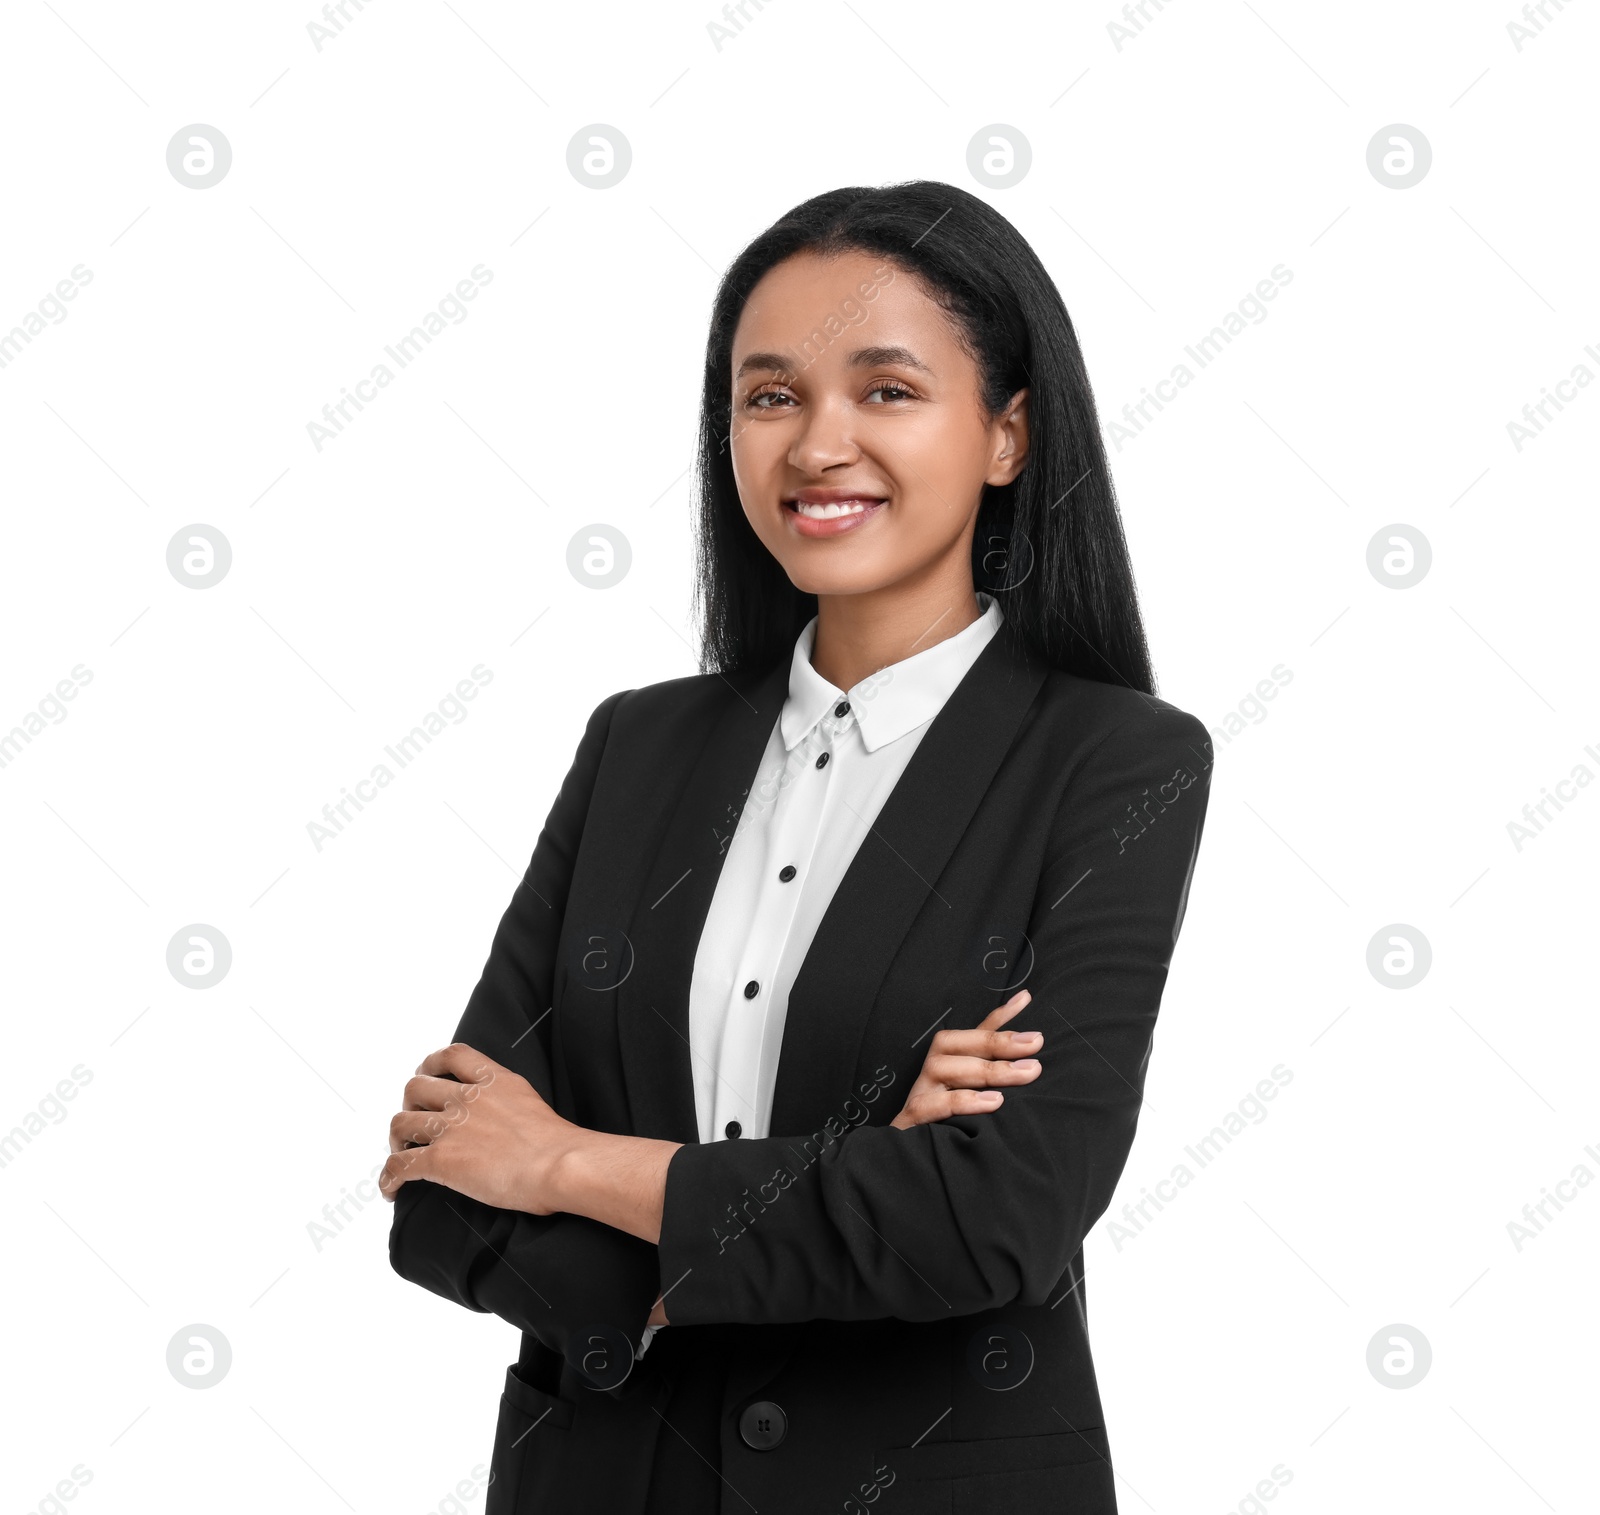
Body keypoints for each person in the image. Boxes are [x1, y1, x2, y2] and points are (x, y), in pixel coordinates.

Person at [382, 180, 1213, 1515]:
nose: (819, 443)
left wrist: (564, 1165)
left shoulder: (1114, 763)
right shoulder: (638, 750)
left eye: (886, 391)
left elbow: (997, 1219)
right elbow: (439, 1186)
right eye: (771, 396)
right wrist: (855, 1168)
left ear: (1006, 433)